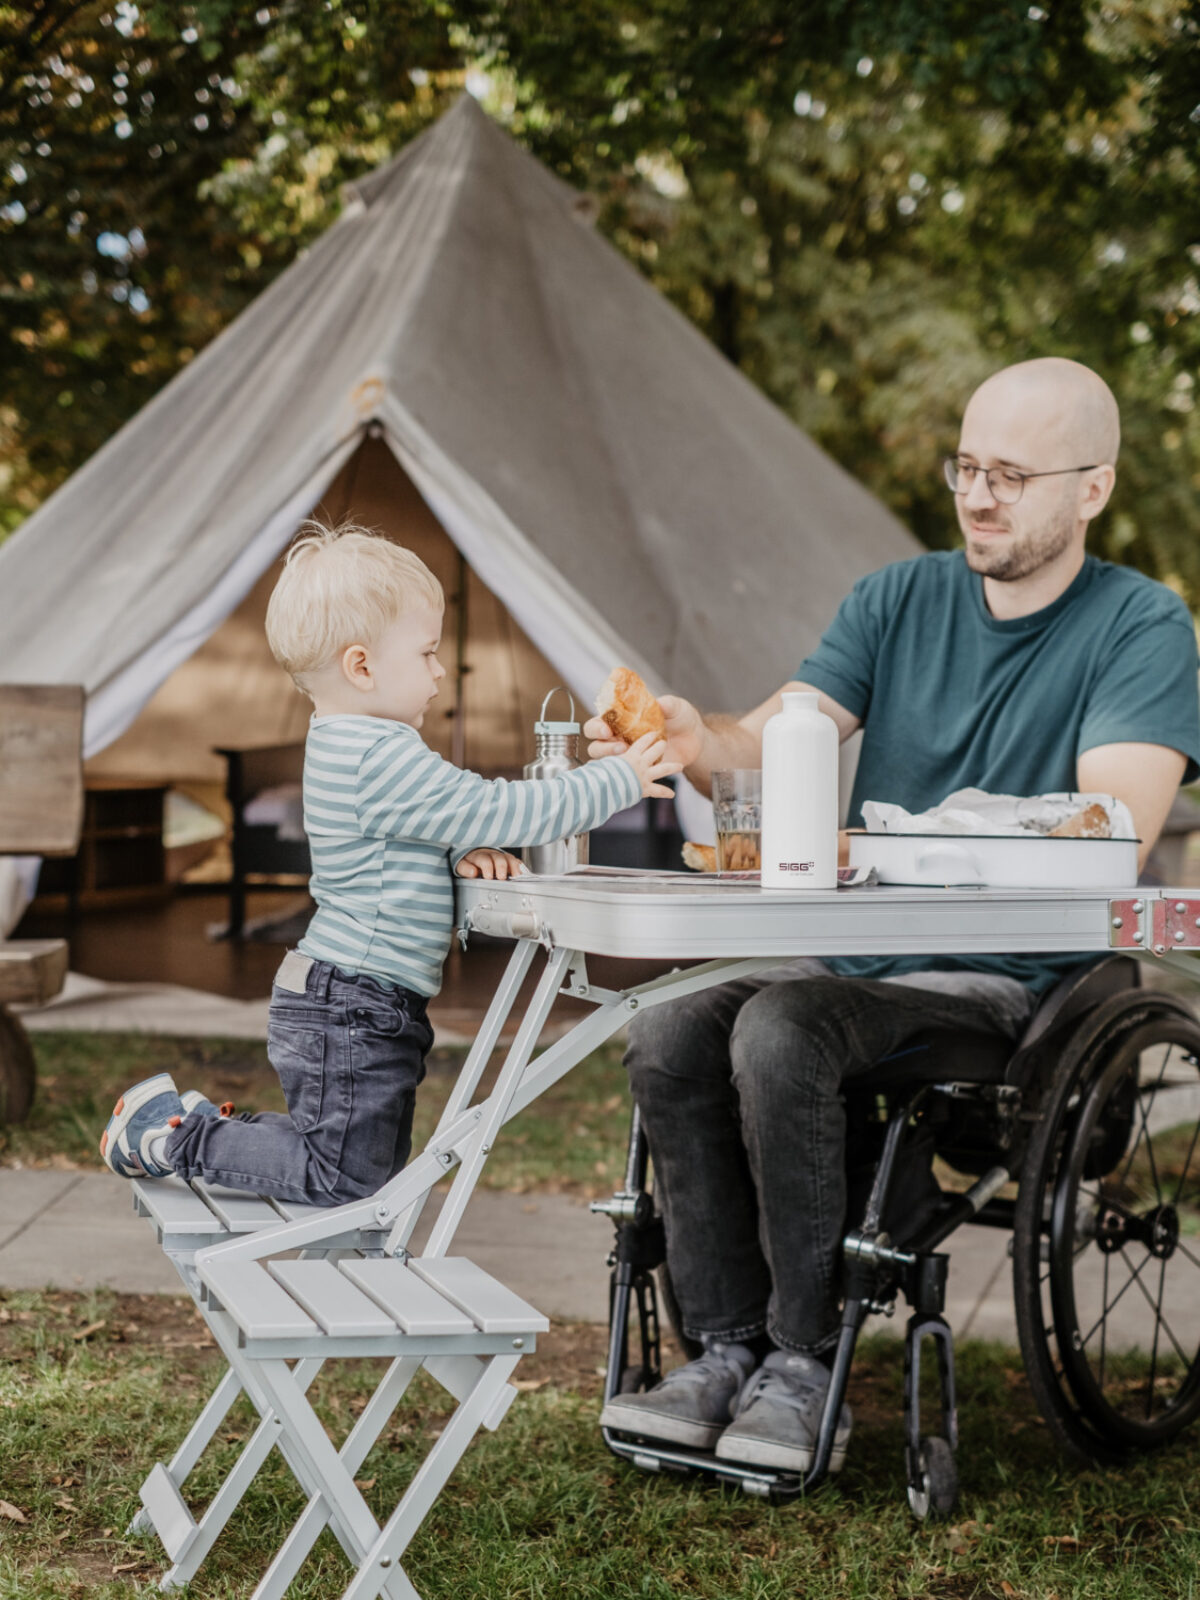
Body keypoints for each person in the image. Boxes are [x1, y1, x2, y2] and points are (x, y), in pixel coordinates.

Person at [594, 357, 1200, 1474]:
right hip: (853, 958)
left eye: (1011, 474)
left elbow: (1107, 830)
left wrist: (869, 846)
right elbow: (780, 732)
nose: (977, 495)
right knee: (671, 1030)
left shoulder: (1142, 628)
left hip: (1007, 985)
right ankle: (723, 1349)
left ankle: (803, 1359)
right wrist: (696, 735)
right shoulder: (895, 598)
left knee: (784, 1026)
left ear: (1093, 490)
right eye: (967, 467)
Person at [101, 523, 680, 1204]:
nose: (441, 670)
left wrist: (464, 847)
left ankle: (190, 1127)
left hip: (359, 1000)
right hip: (351, 1002)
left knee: (352, 1168)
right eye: (428, 652)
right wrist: (615, 783)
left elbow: (424, 823)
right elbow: (494, 807)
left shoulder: (357, 742)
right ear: (362, 666)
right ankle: (172, 1137)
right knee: (345, 1179)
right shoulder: (375, 751)